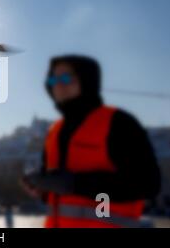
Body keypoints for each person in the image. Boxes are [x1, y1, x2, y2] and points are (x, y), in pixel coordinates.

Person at [21, 55, 161, 228]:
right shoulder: (54, 131)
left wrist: (76, 184)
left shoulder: (118, 122)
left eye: (65, 78)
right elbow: (61, 195)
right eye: (53, 79)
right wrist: (40, 188)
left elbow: (148, 184)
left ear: (87, 80)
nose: (58, 84)